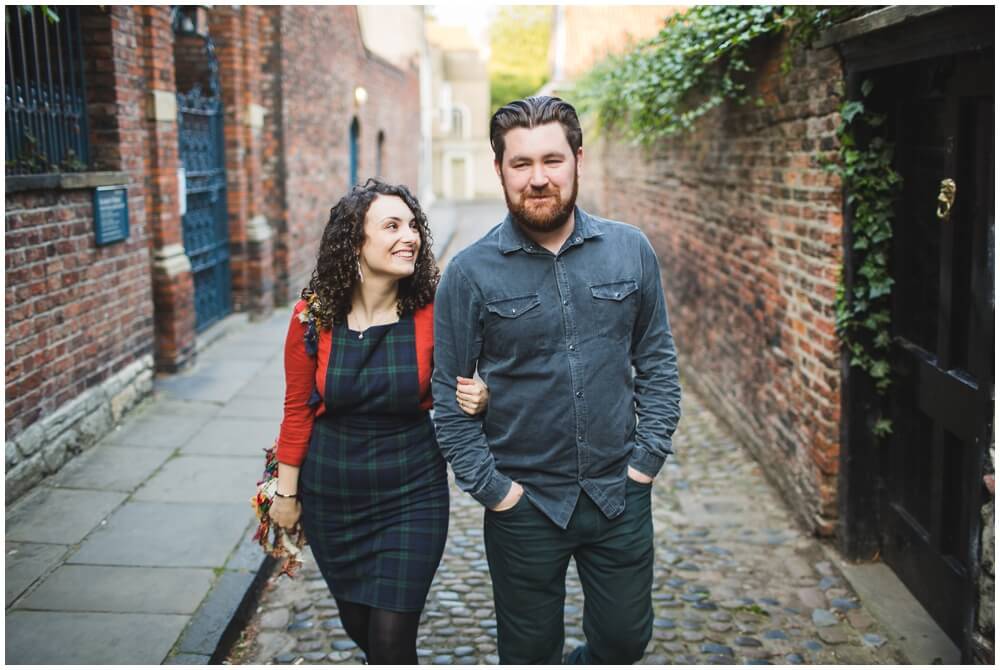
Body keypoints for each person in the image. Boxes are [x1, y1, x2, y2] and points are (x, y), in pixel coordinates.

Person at [432, 96, 682, 664]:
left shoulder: (630, 250)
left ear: (578, 160)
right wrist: (498, 494)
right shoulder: (469, 274)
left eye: (552, 160)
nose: (538, 178)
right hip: (525, 506)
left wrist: (644, 463)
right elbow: (447, 399)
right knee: (528, 654)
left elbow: (659, 363)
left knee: (624, 641)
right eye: (521, 164)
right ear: (498, 170)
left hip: (618, 492)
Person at [269, 179, 490, 664]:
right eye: (391, 226)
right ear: (355, 241)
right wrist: (286, 495)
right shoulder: (313, 317)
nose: (409, 236)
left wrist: (480, 396)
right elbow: (296, 409)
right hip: (333, 496)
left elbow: (468, 384)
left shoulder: (433, 313)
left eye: (413, 226)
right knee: (359, 626)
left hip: (411, 492)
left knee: (391, 642)